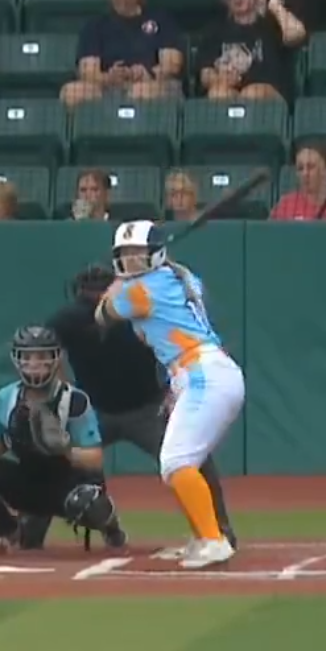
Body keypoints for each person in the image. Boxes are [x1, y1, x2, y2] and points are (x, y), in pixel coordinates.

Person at [19, 265, 236, 556]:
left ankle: (29, 535)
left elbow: (48, 355)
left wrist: (64, 395)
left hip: (143, 409)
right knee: (191, 460)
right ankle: (220, 532)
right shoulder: (84, 316)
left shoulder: (115, 312)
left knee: (188, 460)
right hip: (103, 410)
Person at [93, 221, 245, 569]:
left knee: (176, 462)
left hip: (202, 373)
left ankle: (213, 539)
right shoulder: (182, 275)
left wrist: (118, 282)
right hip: (203, 371)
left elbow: (102, 314)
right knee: (182, 460)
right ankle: (204, 534)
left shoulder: (139, 291)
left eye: (137, 253)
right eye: (125, 254)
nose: (131, 261)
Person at [0, 326, 129, 553]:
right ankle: (6, 529)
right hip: (28, 479)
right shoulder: (6, 398)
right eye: (27, 357)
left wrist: (64, 449)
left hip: (66, 481)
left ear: (55, 358)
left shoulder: (73, 400)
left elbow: (94, 460)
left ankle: (112, 529)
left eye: (42, 356)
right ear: (17, 359)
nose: (34, 363)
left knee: (88, 502)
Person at [196, 0, 306, 103]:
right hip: (231, 93)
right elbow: (205, 73)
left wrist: (276, 8)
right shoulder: (215, 32)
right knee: (218, 93)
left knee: (253, 93)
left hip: (271, 96)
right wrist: (221, 79)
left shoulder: (270, 25)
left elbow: (297, 35)